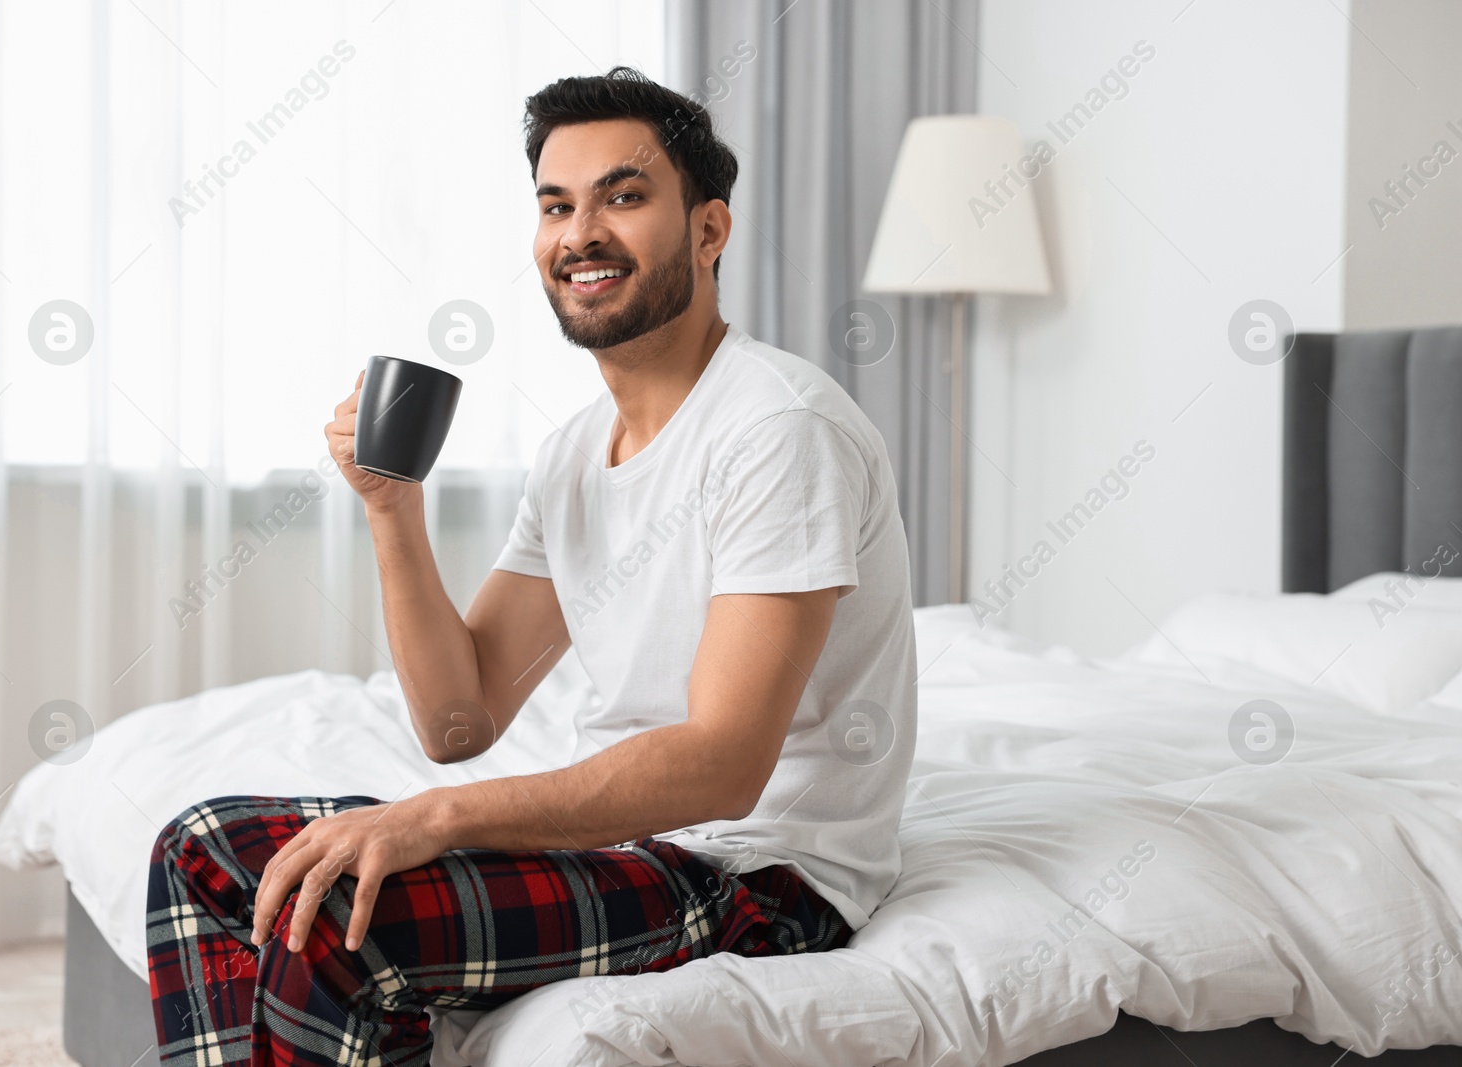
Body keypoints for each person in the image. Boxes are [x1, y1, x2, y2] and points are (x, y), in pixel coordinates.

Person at [146, 65, 916, 1066]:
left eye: (624, 197)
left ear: (708, 230)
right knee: (201, 846)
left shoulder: (778, 428)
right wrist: (393, 509)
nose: (579, 232)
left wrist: (438, 818)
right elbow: (458, 719)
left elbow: (725, 763)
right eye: (557, 205)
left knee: (343, 910)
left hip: (758, 875)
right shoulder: (572, 454)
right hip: (627, 848)